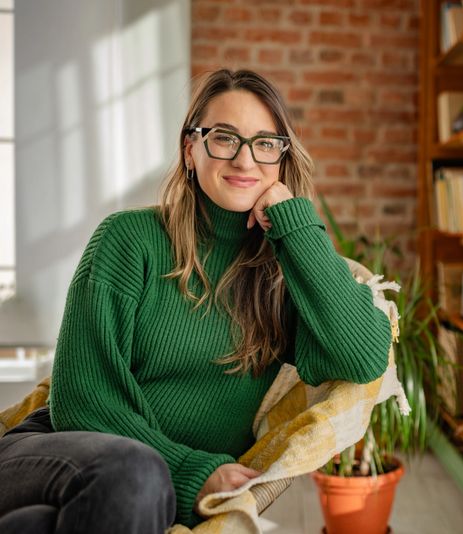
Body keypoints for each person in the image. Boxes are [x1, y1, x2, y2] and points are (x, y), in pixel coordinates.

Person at [0, 68, 393, 533]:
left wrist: (294, 221)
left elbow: (364, 359)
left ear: (282, 159)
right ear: (191, 149)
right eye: (225, 138)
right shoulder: (129, 239)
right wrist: (191, 470)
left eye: (266, 143)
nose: (246, 160)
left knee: (35, 526)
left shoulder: (280, 279)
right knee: (134, 475)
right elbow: (83, 399)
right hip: (54, 451)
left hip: (141, 497)